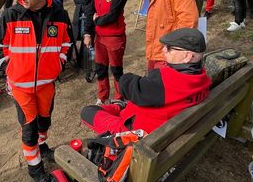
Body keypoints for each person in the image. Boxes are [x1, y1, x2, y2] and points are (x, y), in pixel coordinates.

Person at [0, 0, 72, 182]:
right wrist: (8, 68)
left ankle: (42, 145)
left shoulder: (59, 14)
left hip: (47, 84)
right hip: (20, 86)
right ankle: (35, 169)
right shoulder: (11, 14)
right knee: (29, 129)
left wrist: (60, 63)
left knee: (44, 120)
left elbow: (67, 42)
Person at [81, 28, 211, 134]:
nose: (163, 50)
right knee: (116, 106)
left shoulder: (163, 83)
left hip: (134, 131)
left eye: (169, 48)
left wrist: (129, 78)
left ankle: (119, 106)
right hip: (164, 129)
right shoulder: (203, 78)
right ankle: (120, 106)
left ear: (187, 56)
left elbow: (125, 85)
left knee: (88, 111)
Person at [83, 0, 128, 105]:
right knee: (100, 68)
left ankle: (120, 98)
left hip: (114, 37)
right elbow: (90, 12)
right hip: (100, 38)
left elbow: (112, 15)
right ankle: (103, 97)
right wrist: (88, 33)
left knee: (116, 69)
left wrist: (98, 20)